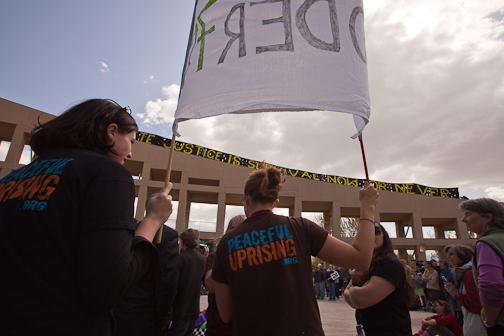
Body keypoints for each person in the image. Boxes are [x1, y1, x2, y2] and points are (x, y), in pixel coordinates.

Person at [0, 99, 173, 335]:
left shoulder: (10, 179)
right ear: (111, 131)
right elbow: (108, 289)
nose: (131, 154)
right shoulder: (108, 173)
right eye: (130, 141)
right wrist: (152, 220)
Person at [211, 166, 379, 336]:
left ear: (246, 200)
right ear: (275, 202)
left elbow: (225, 315)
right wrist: (368, 205)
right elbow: (361, 258)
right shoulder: (300, 227)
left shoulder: (227, 243)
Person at [344, 223, 416, 336]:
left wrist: (353, 291)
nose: (371, 235)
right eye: (366, 232)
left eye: (376, 231)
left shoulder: (391, 265)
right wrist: (357, 292)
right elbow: (348, 295)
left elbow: (359, 299)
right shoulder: (363, 266)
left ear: (385, 237)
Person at [114, 217, 179, 335]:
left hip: (119, 313)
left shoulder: (129, 230)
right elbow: (167, 283)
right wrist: (164, 317)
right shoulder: (168, 235)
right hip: (147, 317)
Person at [459, 198, 504, 335]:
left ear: (488, 217)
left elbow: (492, 286)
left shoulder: (487, 243)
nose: (463, 219)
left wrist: (490, 321)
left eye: (468, 214)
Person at [203, 215, 246, 336]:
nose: (236, 233)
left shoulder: (251, 258)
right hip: (218, 327)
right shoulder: (215, 257)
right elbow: (210, 284)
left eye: (242, 229)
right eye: (233, 229)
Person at [167, 229, 207, 336]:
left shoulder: (179, 260)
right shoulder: (203, 260)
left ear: (183, 242)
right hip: (193, 311)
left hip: (178, 311)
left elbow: (172, 286)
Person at [444, 244, 486, 335]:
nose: (448, 256)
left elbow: (474, 304)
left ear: (462, 255)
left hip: (477, 323)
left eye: (451, 254)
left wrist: (456, 295)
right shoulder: (463, 273)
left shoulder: (469, 274)